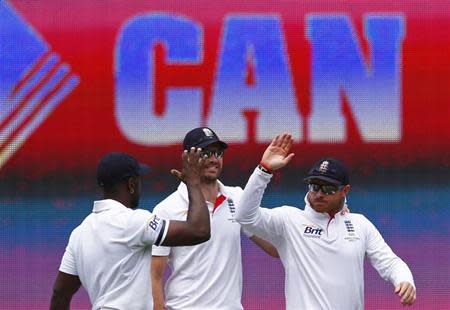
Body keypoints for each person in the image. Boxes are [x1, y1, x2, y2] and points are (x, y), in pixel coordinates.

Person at [234, 133, 416, 310]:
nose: (319, 194)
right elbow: (244, 216)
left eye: (328, 189)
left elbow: (390, 262)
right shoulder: (289, 220)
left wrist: (405, 280)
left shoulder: (360, 224)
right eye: (314, 186)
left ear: (345, 190)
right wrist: (264, 170)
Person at [50, 150, 211, 310]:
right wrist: (193, 183)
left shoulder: (79, 234)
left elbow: (60, 294)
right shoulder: (133, 221)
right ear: (131, 184)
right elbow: (199, 230)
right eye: (139, 180)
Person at [151, 127, 278, 310]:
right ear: (188, 158)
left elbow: (273, 247)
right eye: (205, 153)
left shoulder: (236, 197)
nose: (213, 159)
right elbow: (154, 275)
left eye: (218, 153)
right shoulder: (166, 209)